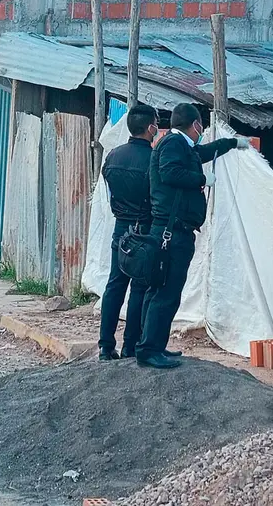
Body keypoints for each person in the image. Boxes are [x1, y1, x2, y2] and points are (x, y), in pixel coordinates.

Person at [135, 104, 249, 369]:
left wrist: (232, 143)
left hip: (172, 230)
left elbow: (202, 152)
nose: (201, 132)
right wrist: (201, 178)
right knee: (166, 293)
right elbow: (170, 172)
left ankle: (153, 345)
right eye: (201, 127)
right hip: (170, 232)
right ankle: (149, 350)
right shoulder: (173, 144)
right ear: (196, 124)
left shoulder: (180, 145)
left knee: (161, 292)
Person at [97, 105, 160, 361]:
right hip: (145, 229)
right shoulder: (154, 160)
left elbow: (109, 192)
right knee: (140, 287)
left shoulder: (112, 156)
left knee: (115, 284)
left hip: (121, 228)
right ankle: (130, 346)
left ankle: (105, 346)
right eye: (156, 124)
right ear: (151, 128)